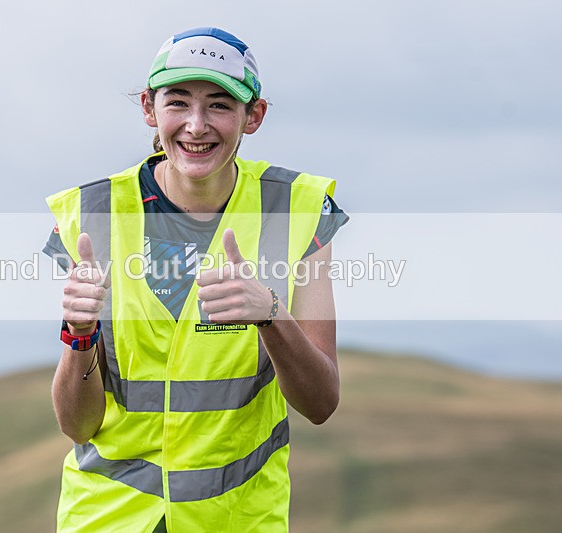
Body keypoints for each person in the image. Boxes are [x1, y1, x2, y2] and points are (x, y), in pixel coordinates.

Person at [42, 27, 349, 532]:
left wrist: (270, 314)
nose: (196, 125)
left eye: (220, 105)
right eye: (178, 102)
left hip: (237, 520)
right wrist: (78, 335)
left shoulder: (298, 210)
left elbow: (321, 403)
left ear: (254, 116)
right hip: (109, 519)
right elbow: (77, 425)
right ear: (148, 108)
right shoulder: (91, 214)